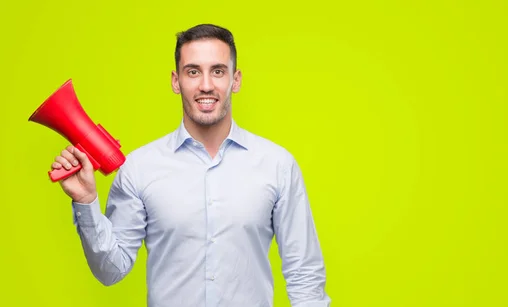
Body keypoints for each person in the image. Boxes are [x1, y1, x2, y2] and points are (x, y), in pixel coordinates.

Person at [51, 23, 331, 307]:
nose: (206, 85)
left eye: (218, 71)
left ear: (236, 80)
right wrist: (86, 203)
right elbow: (111, 271)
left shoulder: (277, 165)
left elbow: (305, 275)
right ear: (176, 81)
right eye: (193, 71)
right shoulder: (140, 168)